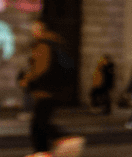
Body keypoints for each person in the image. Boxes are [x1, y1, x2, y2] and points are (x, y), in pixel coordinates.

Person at [18, 20, 84, 156]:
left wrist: (27, 79)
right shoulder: (54, 43)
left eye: (34, 29)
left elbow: (41, 68)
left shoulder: (43, 45)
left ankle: (61, 140)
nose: (32, 31)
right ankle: (45, 150)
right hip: (55, 90)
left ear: (40, 30)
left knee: (38, 124)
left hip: (46, 90)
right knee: (40, 122)